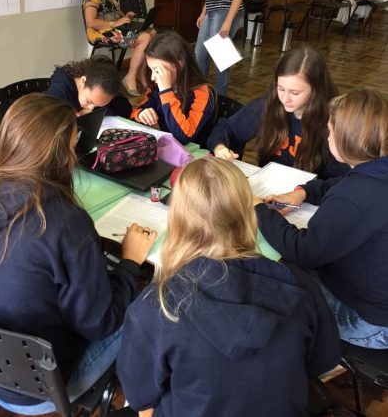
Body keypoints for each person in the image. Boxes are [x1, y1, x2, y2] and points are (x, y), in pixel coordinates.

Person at [0, 93, 156, 414]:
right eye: (74, 146)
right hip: (40, 387)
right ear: (60, 153)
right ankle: (139, 401)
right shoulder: (66, 223)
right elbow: (100, 323)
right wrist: (130, 262)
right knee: (150, 306)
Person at [116, 157, 340, 416]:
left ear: (177, 220)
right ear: (248, 213)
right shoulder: (300, 284)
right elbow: (322, 362)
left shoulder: (155, 307)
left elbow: (141, 396)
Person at [256, 88, 388, 349]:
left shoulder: (353, 197)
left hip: (370, 323)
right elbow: (342, 183)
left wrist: (260, 211)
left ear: (346, 139)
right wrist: (305, 192)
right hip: (378, 302)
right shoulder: (374, 173)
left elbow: (303, 251)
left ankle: (301, 357)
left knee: (278, 281)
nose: (327, 137)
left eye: (330, 131)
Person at [207, 46, 349, 179]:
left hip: (308, 193)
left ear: (316, 90)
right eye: (280, 88)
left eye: (295, 92)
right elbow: (226, 128)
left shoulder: (333, 122)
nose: (285, 98)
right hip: (267, 186)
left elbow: (341, 178)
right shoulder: (267, 106)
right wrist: (220, 147)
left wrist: (305, 192)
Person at [83, 0, 155, 96]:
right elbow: (90, 22)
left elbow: (115, 11)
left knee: (152, 32)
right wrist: (115, 23)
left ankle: (140, 73)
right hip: (100, 32)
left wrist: (125, 17)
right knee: (145, 38)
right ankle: (130, 78)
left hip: (116, 27)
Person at [130, 31, 217, 146]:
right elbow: (134, 115)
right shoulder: (156, 87)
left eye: (158, 71)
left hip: (197, 153)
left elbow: (183, 136)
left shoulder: (202, 92)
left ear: (179, 64)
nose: (152, 77)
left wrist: (166, 91)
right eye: (151, 70)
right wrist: (141, 114)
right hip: (171, 148)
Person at [194, 0, 249, 96]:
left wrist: (228, 21)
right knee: (199, 53)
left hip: (226, 10)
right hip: (211, 9)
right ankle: (202, 92)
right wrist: (203, 12)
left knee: (220, 55)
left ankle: (221, 96)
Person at [45, 55, 131, 118]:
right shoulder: (60, 92)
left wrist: (95, 110)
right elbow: (45, 117)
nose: (91, 108)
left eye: (98, 105)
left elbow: (126, 109)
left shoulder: (103, 89)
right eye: (89, 101)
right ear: (82, 81)